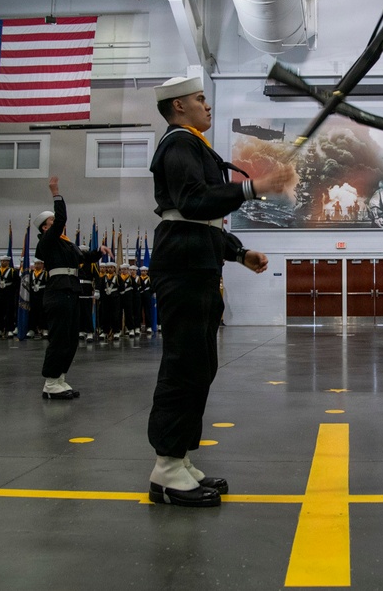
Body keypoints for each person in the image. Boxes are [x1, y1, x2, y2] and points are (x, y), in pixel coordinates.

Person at [147, 75, 292, 508]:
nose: (206, 106)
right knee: (184, 362)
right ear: (177, 107)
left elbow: (203, 218)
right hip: (184, 265)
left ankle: (180, 456)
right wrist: (254, 187)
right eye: (198, 99)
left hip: (199, 259)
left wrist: (238, 252)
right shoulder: (178, 143)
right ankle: (166, 468)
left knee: (200, 362)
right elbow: (192, 203)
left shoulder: (192, 144)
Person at [35, 177, 112, 400]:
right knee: (59, 338)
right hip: (57, 293)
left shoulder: (66, 244)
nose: (59, 224)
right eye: (52, 222)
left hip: (71, 293)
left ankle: (59, 378)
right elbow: (61, 219)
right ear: (45, 227)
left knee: (70, 338)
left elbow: (84, 256)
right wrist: (56, 194)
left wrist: (99, 251)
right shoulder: (47, 242)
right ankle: (50, 382)